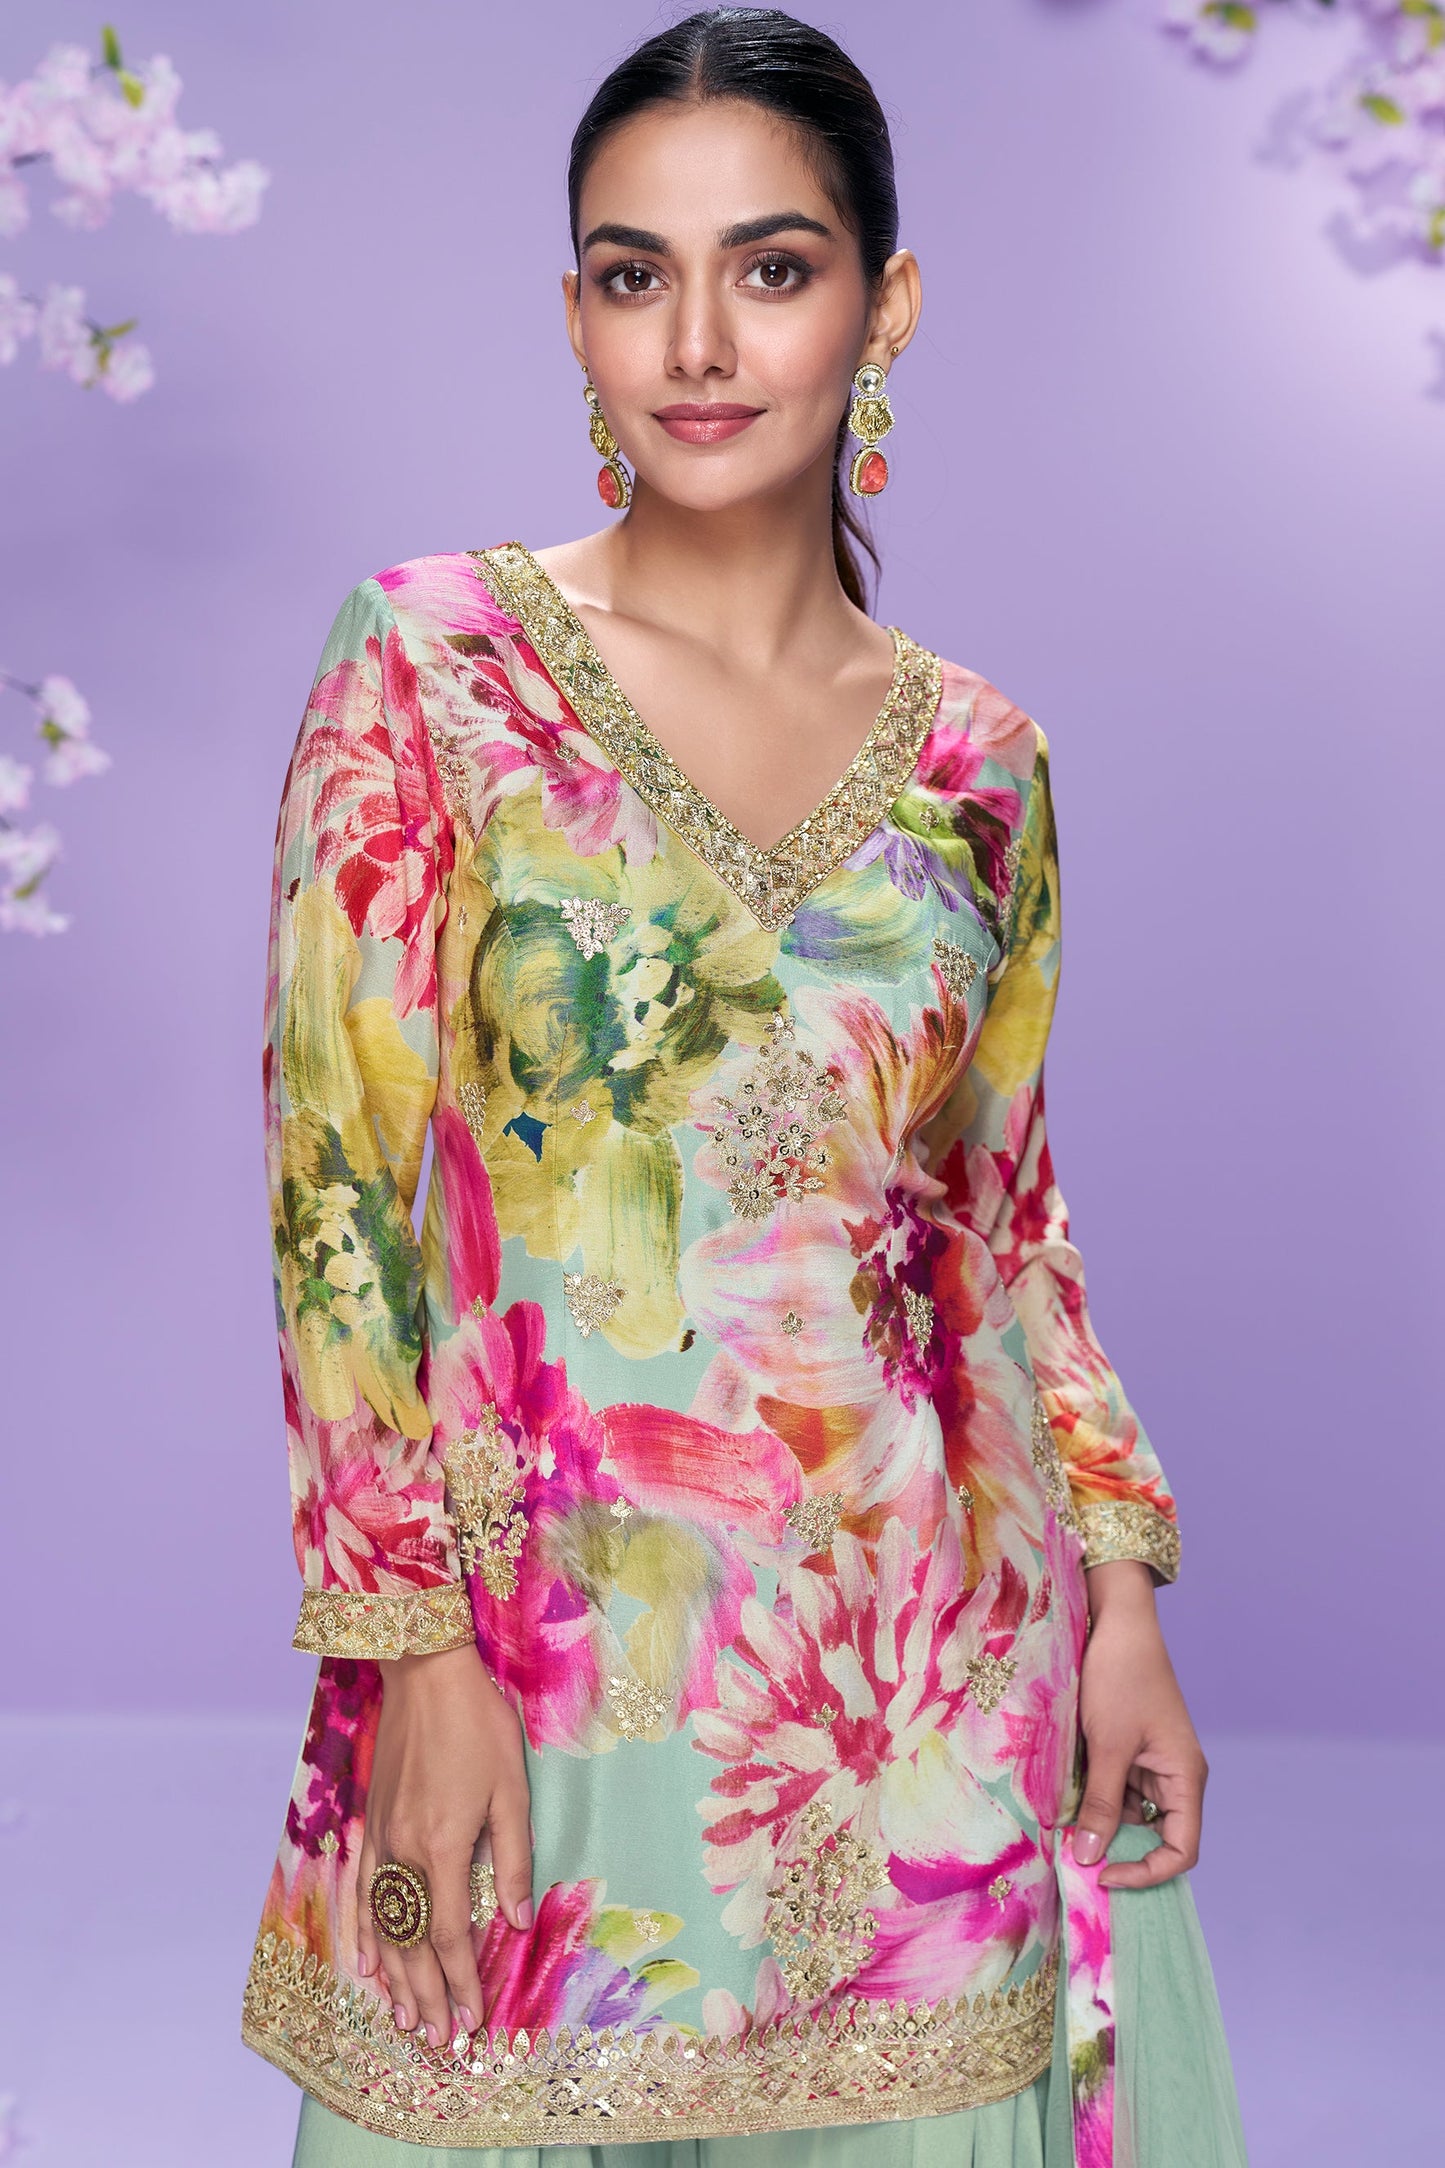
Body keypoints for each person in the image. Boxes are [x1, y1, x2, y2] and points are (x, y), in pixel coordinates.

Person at [242, 11, 1247, 2164]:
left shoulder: (981, 764)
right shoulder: (429, 665)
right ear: (575, 315)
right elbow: (336, 1203)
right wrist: (414, 1656)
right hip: (540, 1678)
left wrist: (1122, 1598)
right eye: (636, 274)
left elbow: (1001, 1221)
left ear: (888, 304)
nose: (698, 343)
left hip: (922, 1707)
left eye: (772, 269)